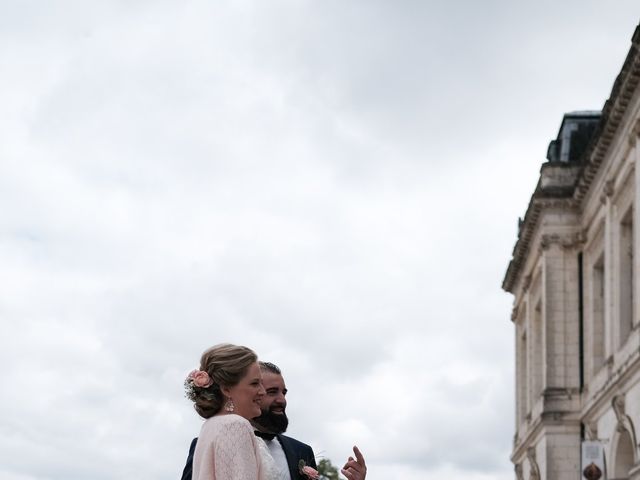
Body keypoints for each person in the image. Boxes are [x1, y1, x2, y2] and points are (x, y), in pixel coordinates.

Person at [181, 361, 367, 480]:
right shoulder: (209, 443)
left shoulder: (301, 451)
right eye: (272, 392)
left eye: (284, 392)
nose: (282, 400)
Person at [184, 343, 275, 480]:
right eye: (254, 383)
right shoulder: (235, 425)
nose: (262, 391)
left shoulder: (210, 426)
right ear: (226, 389)